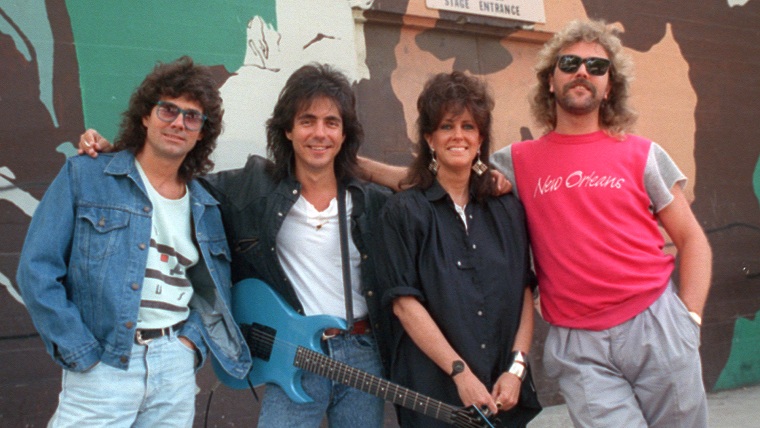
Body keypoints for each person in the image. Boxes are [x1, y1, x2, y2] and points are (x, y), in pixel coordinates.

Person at [79, 63, 391, 428]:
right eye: (307, 120)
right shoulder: (252, 188)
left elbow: (428, 188)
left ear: (344, 133)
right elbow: (171, 174)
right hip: (296, 352)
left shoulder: (373, 201)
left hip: (362, 351)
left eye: (331, 123)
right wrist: (118, 151)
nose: (319, 133)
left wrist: (368, 169)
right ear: (288, 129)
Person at [488, 20, 712, 427]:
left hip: (657, 325)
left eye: (597, 66)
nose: (582, 72)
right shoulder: (516, 162)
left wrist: (689, 321)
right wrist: (352, 167)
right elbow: (438, 178)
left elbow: (692, 239)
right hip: (579, 345)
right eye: (570, 62)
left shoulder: (642, 154)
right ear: (550, 81)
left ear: (609, 87)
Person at [17, 56, 252, 427]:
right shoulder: (87, 175)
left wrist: (190, 344)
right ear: (146, 115)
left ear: (202, 132)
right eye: (168, 110)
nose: (178, 123)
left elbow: (209, 289)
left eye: (192, 117)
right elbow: (36, 270)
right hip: (103, 365)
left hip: (174, 367)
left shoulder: (205, 204)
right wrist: (80, 350)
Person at [379, 71, 541, 428]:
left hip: (503, 392)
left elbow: (524, 293)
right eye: (446, 126)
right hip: (434, 396)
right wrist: (460, 374)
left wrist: (517, 369)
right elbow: (405, 306)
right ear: (429, 138)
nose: (458, 136)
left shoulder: (507, 208)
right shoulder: (404, 212)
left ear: (480, 138)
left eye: (468, 127)